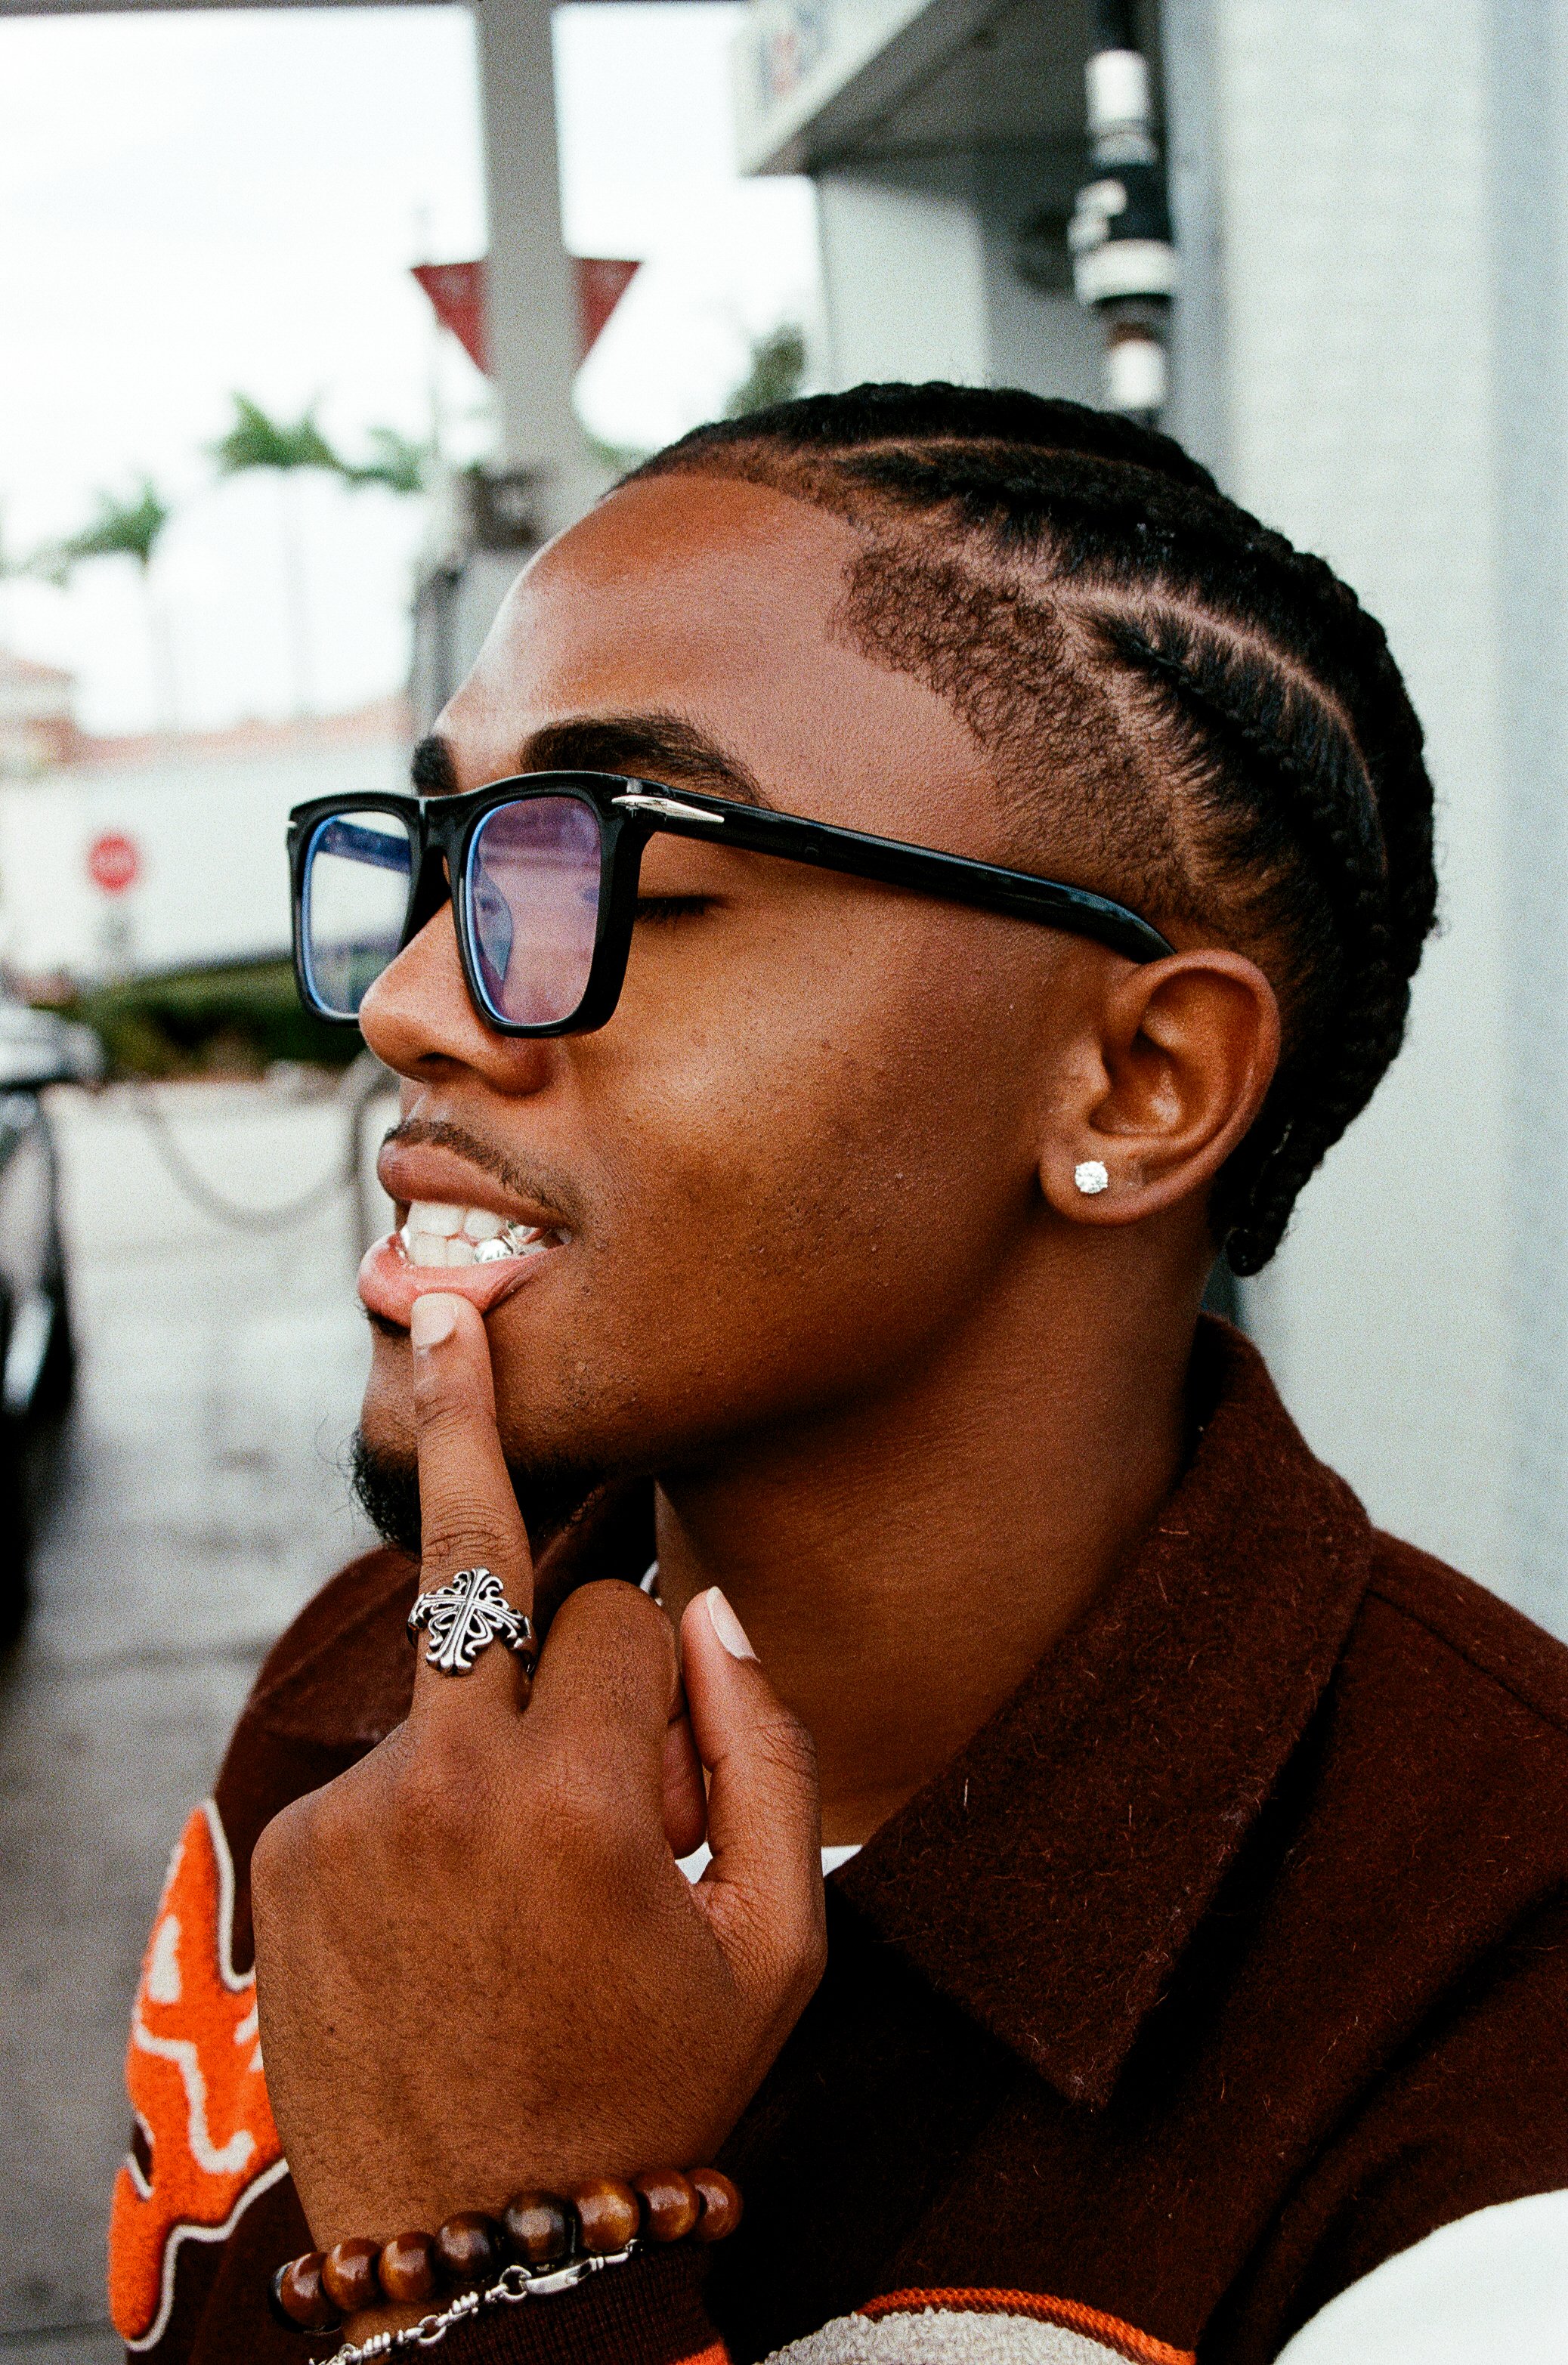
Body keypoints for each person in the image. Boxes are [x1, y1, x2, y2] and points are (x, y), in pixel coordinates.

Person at [108, 387, 1568, 2365]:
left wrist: (500, 2259)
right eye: (450, 854)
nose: (411, 1001)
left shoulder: (1490, 2024)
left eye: (616, 866)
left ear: (1137, 1081)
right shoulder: (364, 1693)